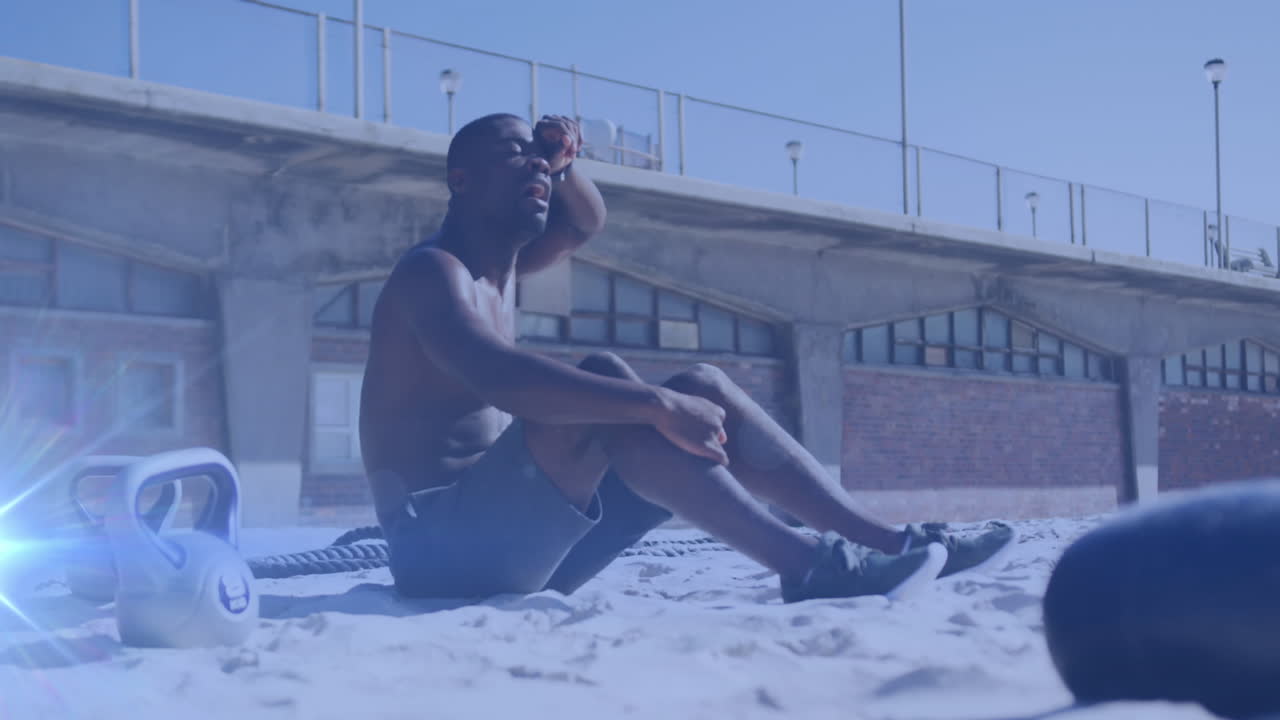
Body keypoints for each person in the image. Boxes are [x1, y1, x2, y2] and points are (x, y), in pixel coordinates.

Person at [358, 112, 1013, 602]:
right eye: (516, 157)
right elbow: (500, 379)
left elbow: (585, 223)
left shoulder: (502, 269)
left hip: (520, 541)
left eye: (540, 162)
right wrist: (654, 402)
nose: (536, 168)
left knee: (702, 384)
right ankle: (807, 566)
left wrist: (564, 166)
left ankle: (892, 544)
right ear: (461, 180)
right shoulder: (431, 274)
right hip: (439, 551)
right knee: (613, 389)